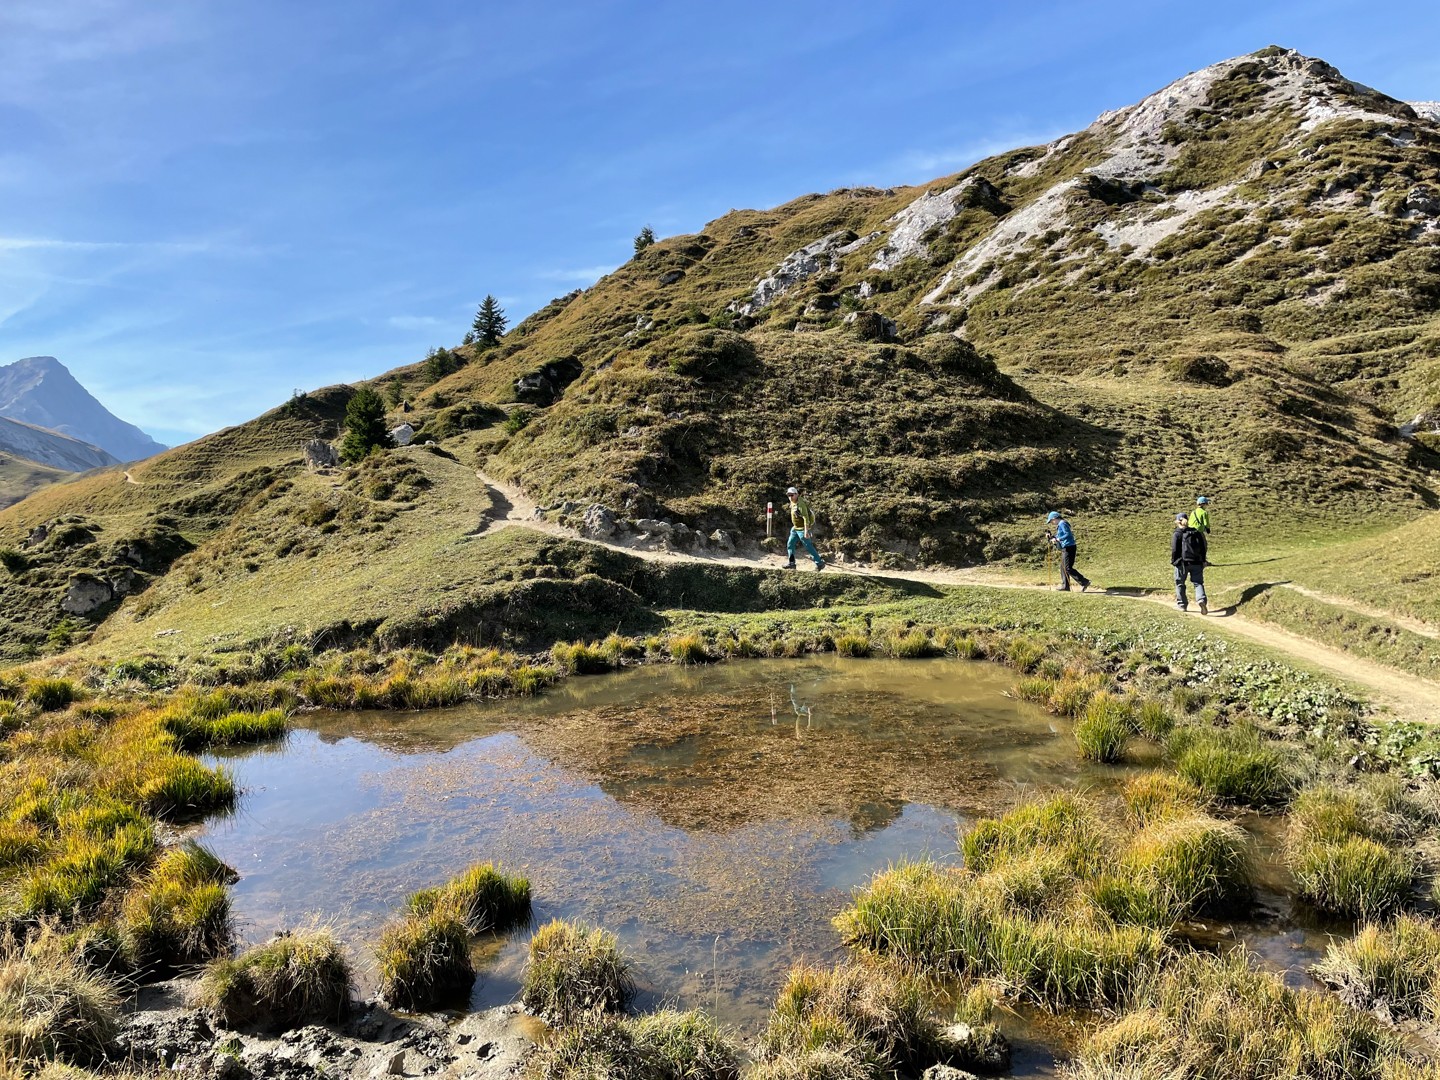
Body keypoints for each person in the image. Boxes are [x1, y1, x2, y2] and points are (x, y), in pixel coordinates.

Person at [1172, 512, 1209, 614]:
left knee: (1180, 583)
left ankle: (1182, 605)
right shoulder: (1196, 532)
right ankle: (1201, 600)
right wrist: (1203, 560)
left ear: (1177, 521)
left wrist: (1174, 561)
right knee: (1198, 583)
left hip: (1182, 563)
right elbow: (1203, 547)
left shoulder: (1177, 533)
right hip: (1197, 562)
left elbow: (1175, 549)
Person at [1046, 511, 1090, 592]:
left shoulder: (1062, 523)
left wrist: (1059, 539)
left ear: (1054, 518)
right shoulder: (1060, 525)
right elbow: (1060, 535)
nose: (1051, 523)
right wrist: (1052, 537)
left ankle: (1084, 581)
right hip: (1065, 548)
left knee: (1067, 568)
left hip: (1069, 547)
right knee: (1063, 567)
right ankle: (1065, 586)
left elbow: (1068, 534)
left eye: (1051, 521)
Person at [785, 486, 825, 571]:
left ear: (797, 494)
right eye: (788, 495)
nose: (790, 497)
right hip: (795, 528)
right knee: (790, 544)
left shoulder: (800, 504)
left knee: (808, 546)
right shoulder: (793, 502)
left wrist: (806, 531)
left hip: (802, 528)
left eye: (792, 495)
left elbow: (806, 518)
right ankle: (791, 563)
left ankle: (819, 562)